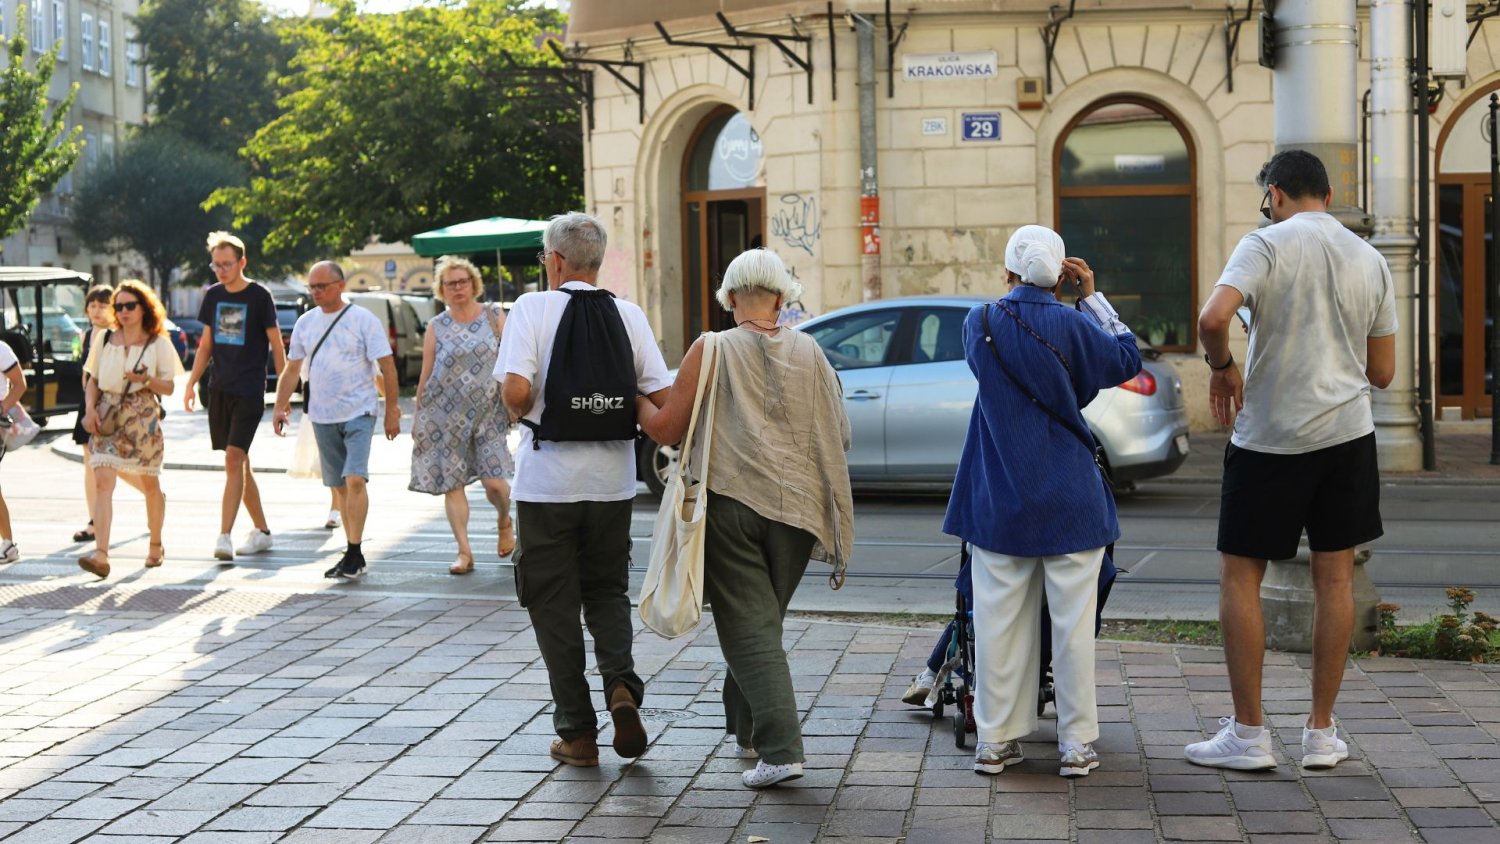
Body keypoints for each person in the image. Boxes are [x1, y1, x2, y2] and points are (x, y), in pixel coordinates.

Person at [1186, 150, 1397, 772]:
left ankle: (1249, 736)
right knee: (1335, 579)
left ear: (1274, 194)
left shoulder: (1264, 244)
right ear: (1327, 196)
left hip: (1270, 439)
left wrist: (1224, 367)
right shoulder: (1370, 258)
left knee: (1240, 576)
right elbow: (1383, 372)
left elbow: (1212, 318)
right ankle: (1321, 734)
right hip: (1347, 436)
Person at [637, 248, 853, 789]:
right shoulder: (811, 351)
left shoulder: (711, 348)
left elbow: (666, 430)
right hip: (800, 512)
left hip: (731, 505)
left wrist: (636, 400)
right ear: (781, 299)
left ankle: (781, 750)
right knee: (761, 622)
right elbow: (840, 433)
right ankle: (748, 731)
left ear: (730, 297)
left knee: (750, 629)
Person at [943, 225, 1141, 779]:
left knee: (997, 623)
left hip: (1000, 495)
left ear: (1008, 271)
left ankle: (995, 743)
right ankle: (1075, 745)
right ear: (1061, 277)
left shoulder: (978, 322)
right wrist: (1091, 297)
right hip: (1071, 496)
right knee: (1073, 628)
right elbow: (1127, 359)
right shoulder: (1074, 324)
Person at [497, 212, 671, 769]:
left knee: (553, 605)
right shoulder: (629, 314)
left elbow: (517, 395)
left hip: (546, 487)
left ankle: (577, 733)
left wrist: (515, 392)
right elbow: (661, 397)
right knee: (606, 592)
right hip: (612, 484)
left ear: (554, 260)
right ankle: (621, 686)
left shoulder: (531, 308)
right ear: (597, 262)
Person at [272, 261, 401, 579]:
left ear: (340, 285)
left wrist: (392, 410)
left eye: (321, 286)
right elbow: (292, 368)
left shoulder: (363, 319)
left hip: (360, 411)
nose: (315, 292)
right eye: (311, 287)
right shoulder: (305, 323)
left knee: (355, 478)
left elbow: (387, 366)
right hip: (321, 414)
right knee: (340, 487)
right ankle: (352, 549)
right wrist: (279, 406)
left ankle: (354, 551)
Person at [184, 231, 286, 562]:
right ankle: (262, 531)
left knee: (232, 458)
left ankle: (224, 536)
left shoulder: (259, 296)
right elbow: (206, 345)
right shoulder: (213, 295)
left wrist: (283, 395)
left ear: (242, 262)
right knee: (239, 463)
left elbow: (277, 345)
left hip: (249, 389)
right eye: (216, 265)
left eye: (227, 264)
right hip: (219, 388)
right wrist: (191, 382)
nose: (221, 270)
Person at [409, 255, 515, 574]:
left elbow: (512, 361)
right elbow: (426, 374)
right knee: (453, 484)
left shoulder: (494, 316)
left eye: (462, 281)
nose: (457, 288)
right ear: (441, 289)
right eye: (450, 283)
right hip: (444, 417)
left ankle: (504, 520)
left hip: (489, 414)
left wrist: (515, 401)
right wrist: (417, 416)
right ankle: (464, 552)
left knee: (495, 484)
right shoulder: (436, 326)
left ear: (473, 284)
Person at [77, 281, 184, 578]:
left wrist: (146, 379)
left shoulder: (158, 343)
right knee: (103, 482)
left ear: (144, 308)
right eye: (119, 306)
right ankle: (101, 554)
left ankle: (155, 544)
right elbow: (93, 380)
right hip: (107, 415)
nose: (123, 311)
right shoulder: (104, 338)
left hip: (142, 418)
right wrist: (89, 410)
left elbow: (169, 387)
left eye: (130, 305)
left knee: (150, 485)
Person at [70, 285, 145, 543]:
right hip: (89, 404)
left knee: (113, 465)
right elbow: (86, 373)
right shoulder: (86, 336)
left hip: (113, 406)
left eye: (102, 305)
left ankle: (151, 493)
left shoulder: (117, 336)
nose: (96, 310)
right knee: (91, 463)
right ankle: (94, 521)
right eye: (92, 305)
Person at [0, 338, 25, 563]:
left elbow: (19, 384)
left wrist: (2, 408)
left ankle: (8, 544)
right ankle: (8, 545)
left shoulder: (1, 349)